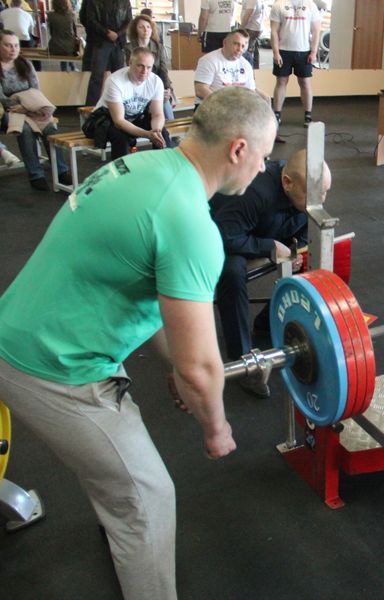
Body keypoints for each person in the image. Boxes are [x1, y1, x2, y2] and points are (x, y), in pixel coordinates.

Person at [0, 86, 277, 600]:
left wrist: (175, 366)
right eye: (261, 157)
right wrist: (216, 427)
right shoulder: (191, 223)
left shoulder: (140, 168)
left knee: (116, 473)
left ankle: (114, 514)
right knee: (146, 497)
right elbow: (201, 367)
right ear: (238, 149)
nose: (263, 169)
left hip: (14, 326)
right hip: (54, 369)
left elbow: (139, 290)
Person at [210, 149, 332, 397]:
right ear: (287, 183)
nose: (321, 199)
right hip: (223, 236)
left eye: (326, 191)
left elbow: (305, 229)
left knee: (309, 258)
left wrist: (298, 247)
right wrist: (268, 247)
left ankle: (266, 322)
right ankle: (243, 362)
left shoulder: (306, 194)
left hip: (268, 230)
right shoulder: (256, 190)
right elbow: (223, 236)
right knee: (231, 273)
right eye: (315, 193)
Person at [0, 29, 72, 190]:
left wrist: (27, 107)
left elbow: (35, 90)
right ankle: (36, 175)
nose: (13, 49)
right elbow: (2, 98)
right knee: (25, 131)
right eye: (8, 45)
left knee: (50, 129)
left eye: (16, 46)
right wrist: (20, 107)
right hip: (9, 111)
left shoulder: (25, 64)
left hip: (30, 107)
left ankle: (62, 170)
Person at [90, 46, 172, 159]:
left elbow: (157, 114)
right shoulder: (115, 81)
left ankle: (166, 169)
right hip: (107, 118)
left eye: (149, 67)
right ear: (130, 62)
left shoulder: (156, 81)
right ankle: (122, 174)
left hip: (135, 116)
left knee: (162, 133)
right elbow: (119, 121)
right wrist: (147, 134)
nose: (145, 71)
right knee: (121, 138)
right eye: (140, 66)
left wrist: (155, 130)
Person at [270, 0, 321, 135]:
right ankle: (277, 114)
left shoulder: (311, 5)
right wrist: (276, 52)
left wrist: (314, 52)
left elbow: (316, 31)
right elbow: (274, 31)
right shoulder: (279, 4)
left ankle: (308, 115)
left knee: (305, 82)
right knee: (281, 81)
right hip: (283, 51)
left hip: (303, 51)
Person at [79, 0, 131, 105]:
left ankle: (122, 107)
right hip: (100, 42)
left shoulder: (124, 1)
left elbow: (128, 20)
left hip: (118, 42)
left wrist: (118, 34)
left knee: (120, 77)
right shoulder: (93, 2)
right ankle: (91, 110)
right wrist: (106, 32)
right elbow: (89, 20)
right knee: (97, 77)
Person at [125, 14, 175, 119]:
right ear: (136, 30)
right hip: (136, 87)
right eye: (141, 27)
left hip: (156, 85)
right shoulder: (128, 48)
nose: (145, 30)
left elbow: (163, 70)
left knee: (166, 104)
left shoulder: (158, 47)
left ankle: (170, 132)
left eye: (148, 27)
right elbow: (128, 71)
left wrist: (167, 89)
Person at [194, 29, 259, 104]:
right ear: (225, 42)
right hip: (211, 107)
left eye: (243, 46)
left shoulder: (246, 64)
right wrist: (224, 104)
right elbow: (200, 90)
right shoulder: (208, 60)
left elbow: (251, 92)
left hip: (237, 108)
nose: (240, 49)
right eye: (236, 44)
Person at [46, 0, 79, 71]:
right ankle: (72, 67)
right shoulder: (71, 14)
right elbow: (75, 31)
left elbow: (51, 32)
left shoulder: (51, 16)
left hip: (55, 47)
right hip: (70, 47)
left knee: (61, 45)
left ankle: (64, 70)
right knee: (67, 47)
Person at [240, 0, 267, 69]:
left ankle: (247, 70)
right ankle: (255, 68)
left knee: (247, 52)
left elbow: (249, 14)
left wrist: (241, 28)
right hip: (257, 27)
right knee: (255, 50)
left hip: (251, 28)